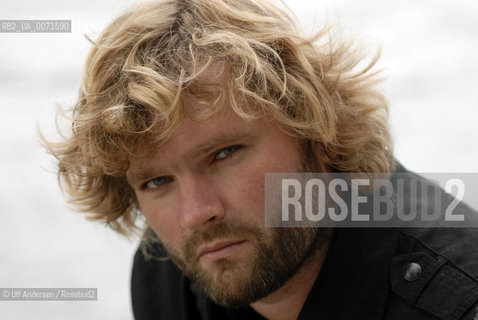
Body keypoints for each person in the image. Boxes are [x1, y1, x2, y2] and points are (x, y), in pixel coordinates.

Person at [44, 0, 478, 319]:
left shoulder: (456, 300)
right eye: (157, 182)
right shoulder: (164, 274)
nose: (196, 215)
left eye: (224, 154)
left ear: (319, 132)